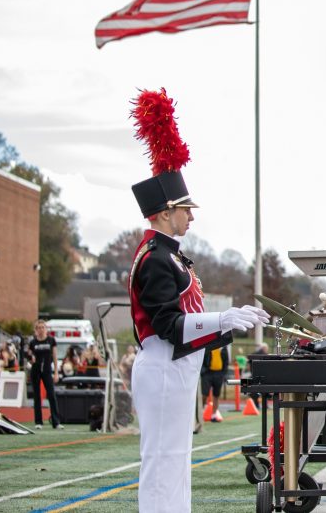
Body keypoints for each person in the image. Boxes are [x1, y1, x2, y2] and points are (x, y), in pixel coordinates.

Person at [128, 87, 270, 513]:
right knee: (163, 463)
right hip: (163, 365)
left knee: (176, 463)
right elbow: (171, 326)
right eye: (186, 209)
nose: (192, 216)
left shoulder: (169, 255)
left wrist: (223, 326)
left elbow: (184, 325)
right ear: (165, 211)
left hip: (176, 368)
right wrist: (222, 318)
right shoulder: (156, 259)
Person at [27, 319, 62, 430]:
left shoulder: (51, 340)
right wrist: (30, 359)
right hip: (36, 371)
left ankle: (56, 422)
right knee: (37, 397)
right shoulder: (33, 342)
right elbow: (29, 355)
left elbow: (55, 357)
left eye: (43, 327)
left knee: (51, 395)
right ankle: (38, 422)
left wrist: (56, 372)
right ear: (35, 330)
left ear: (46, 329)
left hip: (47, 371)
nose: (41, 330)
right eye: (39, 328)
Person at [201, 343, 229, 422]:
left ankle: (214, 415)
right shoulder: (208, 345)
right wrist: (203, 371)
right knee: (204, 394)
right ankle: (201, 413)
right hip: (208, 373)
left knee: (216, 395)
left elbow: (226, 361)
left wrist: (223, 373)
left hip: (219, 373)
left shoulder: (223, 347)